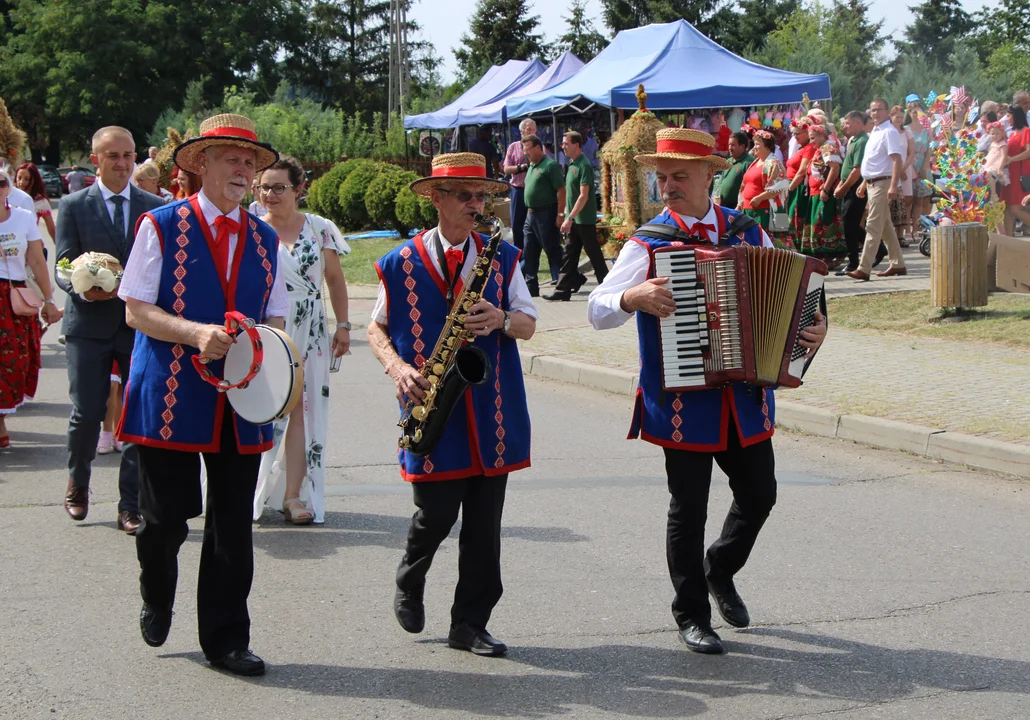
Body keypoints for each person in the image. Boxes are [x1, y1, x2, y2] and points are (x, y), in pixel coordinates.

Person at [586, 128, 827, 654]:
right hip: (682, 400)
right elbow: (596, 310)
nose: (667, 186)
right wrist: (633, 296)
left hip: (743, 397)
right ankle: (691, 614)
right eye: (661, 177)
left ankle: (719, 569)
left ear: (707, 176)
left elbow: (796, 293)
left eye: (678, 176)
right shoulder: (647, 242)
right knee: (688, 506)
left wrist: (814, 327)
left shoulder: (747, 232)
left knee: (760, 495)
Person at [118, 113, 287, 676]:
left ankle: (226, 638)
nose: (244, 171)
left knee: (233, 522)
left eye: (250, 162)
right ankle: (155, 587)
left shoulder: (266, 237)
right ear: (202, 164)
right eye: (232, 159)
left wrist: (273, 360)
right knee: (167, 518)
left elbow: (277, 315)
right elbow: (135, 308)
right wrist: (194, 333)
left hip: (240, 399)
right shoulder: (160, 225)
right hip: (169, 386)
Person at [368, 152, 537, 657]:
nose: (475, 203)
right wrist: (398, 369)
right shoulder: (398, 262)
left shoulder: (502, 257)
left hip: (493, 410)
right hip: (432, 404)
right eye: (463, 194)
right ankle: (410, 577)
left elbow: (528, 323)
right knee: (435, 516)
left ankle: (470, 623)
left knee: (484, 530)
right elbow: (375, 327)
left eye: (481, 195)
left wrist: (502, 318)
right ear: (436, 199)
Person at [54, 126, 165, 532]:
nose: (122, 163)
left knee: (137, 414)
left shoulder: (154, 206)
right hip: (88, 325)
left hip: (136, 326)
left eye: (128, 155)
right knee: (86, 412)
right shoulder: (73, 205)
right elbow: (63, 264)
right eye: (113, 155)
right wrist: (82, 289)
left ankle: (130, 504)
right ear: (95, 158)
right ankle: (78, 484)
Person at [252, 156, 352, 525]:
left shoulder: (319, 228)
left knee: (302, 409)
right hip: (268, 328)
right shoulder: (252, 229)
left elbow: (336, 280)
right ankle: (251, 489)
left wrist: (343, 325)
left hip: (309, 328)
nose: (271, 194)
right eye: (264, 187)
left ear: (298, 189)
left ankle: (294, 496)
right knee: (263, 407)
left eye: (279, 187)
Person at [0, 166, 62, 448]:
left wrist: (49, 300)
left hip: (13, 296)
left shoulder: (23, 218)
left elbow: (37, 261)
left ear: (8, 187)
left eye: (1, 182)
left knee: (15, 361)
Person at [847, 99, 907, 281]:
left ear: (887, 111)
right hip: (872, 182)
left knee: (872, 225)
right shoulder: (875, 131)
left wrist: (894, 185)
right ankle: (898, 264)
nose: (875, 113)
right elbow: (873, 161)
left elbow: (897, 160)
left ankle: (864, 268)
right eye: (872, 110)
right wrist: (864, 183)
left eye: (879, 110)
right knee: (886, 226)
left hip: (883, 183)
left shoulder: (889, 132)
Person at [544, 131, 606, 301]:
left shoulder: (583, 165)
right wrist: (567, 216)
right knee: (569, 255)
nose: (563, 146)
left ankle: (608, 286)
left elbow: (583, 196)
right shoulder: (571, 164)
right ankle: (562, 290)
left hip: (583, 219)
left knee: (594, 255)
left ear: (576, 145)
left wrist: (570, 218)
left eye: (566, 143)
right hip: (574, 219)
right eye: (563, 143)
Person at [833, 111, 881, 276]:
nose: (845, 126)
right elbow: (847, 168)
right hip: (849, 187)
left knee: (850, 225)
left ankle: (853, 262)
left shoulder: (862, 141)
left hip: (856, 188)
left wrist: (844, 187)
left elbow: (857, 170)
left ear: (858, 123)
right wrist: (841, 184)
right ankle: (880, 249)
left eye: (848, 123)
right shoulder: (853, 140)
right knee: (850, 224)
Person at [521, 135, 566, 296]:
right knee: (529, 249)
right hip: (531, 214)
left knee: (551, 248)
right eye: (524, 151)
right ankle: (531, 285)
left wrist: (560, 214)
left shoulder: (550, 165)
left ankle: (569, 277)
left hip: (546, 213)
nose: (526, 154)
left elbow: (561, 190)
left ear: (538, 148)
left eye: (528, 150)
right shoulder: (532, 166)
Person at [800, 121, 846, 261]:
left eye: (813, 137)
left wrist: (825, 189)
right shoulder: (822, 148)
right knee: (817, 222)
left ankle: (831, 254)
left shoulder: (828, 147)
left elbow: (835, 168)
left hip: (826, 193)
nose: (811, 141)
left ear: (822, 135)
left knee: (824, 221)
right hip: (815, 193)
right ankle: (823, 255)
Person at [738, 130, 786, 237]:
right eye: (754, 144)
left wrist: (759, 198)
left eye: (757, 144)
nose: (754, 147)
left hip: (769, 210)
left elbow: (778, 186)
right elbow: (745, 184)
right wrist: (740, 203)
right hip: (750, 209)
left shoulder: (774, 162)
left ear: (767, 146)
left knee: (775, 245)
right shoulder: (755, 162)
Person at [502, 118, 536, 251]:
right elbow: (505, 169)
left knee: (533, 224)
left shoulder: (539, 147)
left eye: (534, 129)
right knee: (517, 224)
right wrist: (521, 167)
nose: (532, 132)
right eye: (529, 129)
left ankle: (531, 253)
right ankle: (518, 253)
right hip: (517, 190)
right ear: (522, 131)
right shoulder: (513, 147)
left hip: (534, 191)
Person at [785, 119, 817, 252]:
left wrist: (790, 189)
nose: (795, 137)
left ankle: (799, 250)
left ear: (807, 132)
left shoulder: (809, 148)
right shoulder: (801, 148)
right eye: (793, 134)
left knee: (794, 219)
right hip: (791, 184)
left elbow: (802, 171)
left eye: (798, 133)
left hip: (797, 187)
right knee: (787, 219)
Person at [1001, 106, 1030, 236]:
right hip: (1010, 175)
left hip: (1020, 172)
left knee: (1015, 209)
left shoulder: (1026, 131)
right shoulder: (1012, 133)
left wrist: (1012, 159)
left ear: (1015, 116)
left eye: (1008, 115)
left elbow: (1028, 152)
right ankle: (1008, 244)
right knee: (1006, 210)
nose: (1006, 119)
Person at [889, 106, 916, 246]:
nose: (899, 119)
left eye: (901, 117)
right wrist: (898, 171)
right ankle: (891, 235)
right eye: (896, 117)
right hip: (892, 170)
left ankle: (902, 234)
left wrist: (903, 169)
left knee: (906, 201)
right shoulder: (888, 131)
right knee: (893, 203)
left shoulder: (906, 132)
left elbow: (911, 153)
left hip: (905, 169)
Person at [906, 98, 933, 232]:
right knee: (907, 200)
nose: (917, 115)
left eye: (919, 112)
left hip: (923, 163)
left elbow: (930, 148)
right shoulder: (905, 129)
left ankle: (918, 229)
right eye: (914, 112)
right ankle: (906, 230)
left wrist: (925, 166)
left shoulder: (927, 129)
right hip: (909, 164)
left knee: (921, 200)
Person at [15, 163, 56, 242]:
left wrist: (61, 252)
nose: (21, 182)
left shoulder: (41, 201)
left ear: (34, 180)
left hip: (32, 246)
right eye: (19, 178)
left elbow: (52, 230)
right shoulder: (7, 197)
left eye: (27, 179)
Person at [717, 131, 753, 210]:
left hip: (737, 208)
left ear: (742, 146)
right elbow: (722, 181)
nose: (729, 148)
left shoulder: (749, 163)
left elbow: (748, 187)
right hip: (723, 206)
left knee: (781, 221)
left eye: (733, 145)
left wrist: (740, 204)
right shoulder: (728, 161)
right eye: (729, 145)